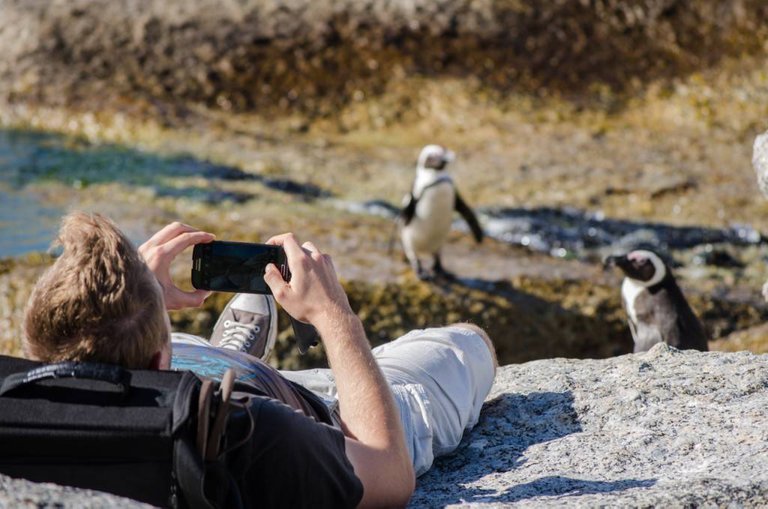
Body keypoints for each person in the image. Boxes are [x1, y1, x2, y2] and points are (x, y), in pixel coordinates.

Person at [23, 212, 497, 507]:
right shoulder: (253, 434)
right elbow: (390, 475)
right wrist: (334, 315)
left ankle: (230, 356)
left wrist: (134, 302)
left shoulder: (20, 407)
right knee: (468, 343)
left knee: (198, 353)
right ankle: (232, 363)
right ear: (158, 360)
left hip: (179, 376)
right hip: (309, 413)